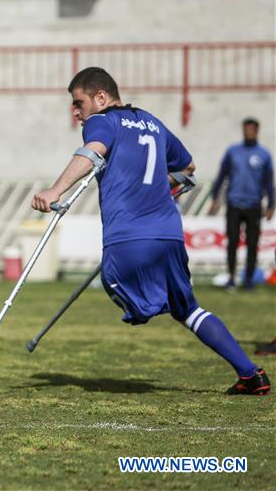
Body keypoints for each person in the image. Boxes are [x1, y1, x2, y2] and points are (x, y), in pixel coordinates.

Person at [32, 67, 269, 395]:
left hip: (129, 234)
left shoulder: (102, 120)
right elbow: (188, 168)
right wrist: (162, 187)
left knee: (113, 281)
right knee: (188, 309)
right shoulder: (152, 122)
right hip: (169, 234)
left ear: (101, 98)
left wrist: (54, 191)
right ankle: (250, 374)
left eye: (78, 102)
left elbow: (92, 151)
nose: (75, 111)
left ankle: (142, 308)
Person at [208, 117, 274, 290]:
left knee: (252, 243)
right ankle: (231, 278)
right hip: (234, 203)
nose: (248, 132)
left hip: (254, 205)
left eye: (252, 130)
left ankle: (249, 279)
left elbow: (269, 182)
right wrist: (215, 198)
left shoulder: (264, 154)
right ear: (243, 130)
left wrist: (271, 205)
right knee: (232, 242)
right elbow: (222, 175)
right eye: (246, 129)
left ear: (257, 131)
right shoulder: (233, 151)